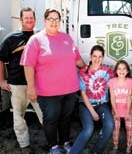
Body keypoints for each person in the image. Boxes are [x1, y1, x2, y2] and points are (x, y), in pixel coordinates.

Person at [20, 9, 85, 154]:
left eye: (57, 19)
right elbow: (28, 65)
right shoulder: (36, 40)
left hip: (70, 89)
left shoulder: (67, 38)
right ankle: (53, 147)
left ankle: (65, 142)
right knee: (51, 119)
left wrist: (89, 68)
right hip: (48, 92)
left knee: (66, 118)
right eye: (51, 19)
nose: (54, 22)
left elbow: (77, 60)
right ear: (45, 20)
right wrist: (31, 87)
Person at [0, 7, 43, 154]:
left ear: (35, 19)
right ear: (21, 19)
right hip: (17, 85)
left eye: (32, 18)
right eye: (26, 18)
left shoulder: (40, 36)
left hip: (38, 84)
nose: (29, 20)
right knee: (19, 117)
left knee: (46, 114)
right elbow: (1, 59)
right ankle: (24, 146)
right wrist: (1, 80)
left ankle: (53, 144)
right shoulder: (11, 38)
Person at [70, 45, 115, 154]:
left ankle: (96, 151)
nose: (97, 59)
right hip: (85, 105)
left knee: (110, 125)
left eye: (100, 57)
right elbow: (83, 94)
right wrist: (93, 112)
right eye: (94, 56)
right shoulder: (83, 72)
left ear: (103, 58)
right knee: (88, 129)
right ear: (90, 56)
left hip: (102, 104)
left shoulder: (108, 72)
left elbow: (119, 82)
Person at [108, 60, 132, 154]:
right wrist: (115, 112)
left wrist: (128, 112)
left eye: (124, 69)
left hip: (128, 110)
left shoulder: (130, 82)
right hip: (116, 110)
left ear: (127, 71)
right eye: (119, 68)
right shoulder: (112, 82)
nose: (122, 71)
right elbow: (112, 97)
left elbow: (129, 98)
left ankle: (129, 146)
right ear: (116, 71)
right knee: (116, 128)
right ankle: (115, 145)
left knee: (130, 129)